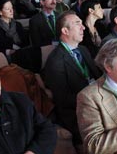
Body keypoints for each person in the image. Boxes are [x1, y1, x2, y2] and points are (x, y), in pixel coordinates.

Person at [41, 11, 102, 147]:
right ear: (65, 31)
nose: (83, 27)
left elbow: (98, 77)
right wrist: (93, 101)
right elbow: (63, 99)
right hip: (78, 111)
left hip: (98, 100)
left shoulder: (83, 50)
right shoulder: (55, 61)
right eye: (77, 23)